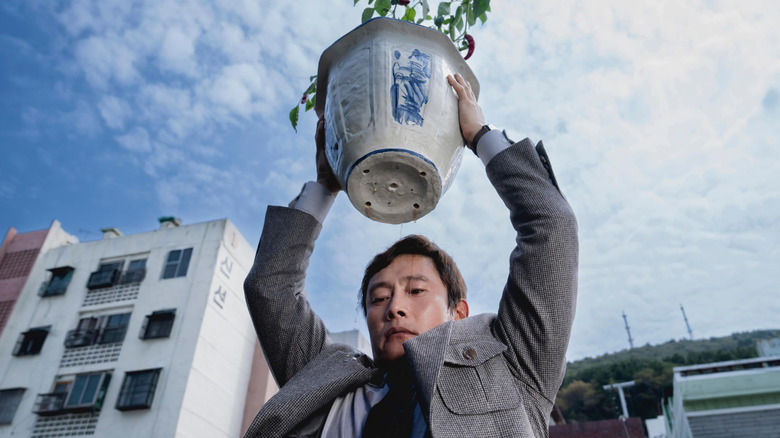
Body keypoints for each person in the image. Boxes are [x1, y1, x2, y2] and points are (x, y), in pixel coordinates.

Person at [243, 73, 578, 437]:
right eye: (378, 297)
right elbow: (270, 287)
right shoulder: (323, 382)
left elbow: (551, 227)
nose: (394, 308)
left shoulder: (514, 362)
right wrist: (325, 184)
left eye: (416, 291)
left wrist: (479, 136)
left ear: (458, 312)